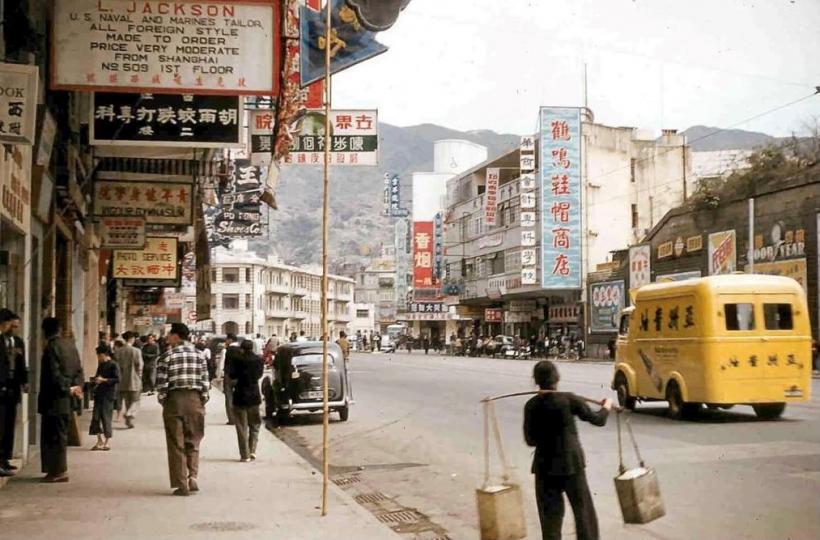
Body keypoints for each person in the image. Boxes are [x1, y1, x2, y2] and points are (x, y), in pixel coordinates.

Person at [523, 360, 612, 540]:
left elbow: (530, 440)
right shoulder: (569, 399)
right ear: (557, 378)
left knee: (550, 519)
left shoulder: (531, 405)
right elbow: (598, 419)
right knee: (583, 513)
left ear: (536, 380)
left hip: (544, 467)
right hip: (571, 465)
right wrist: (607, 406)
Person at [156, 323, 209, 496]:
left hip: (174, 400)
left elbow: (162, 384)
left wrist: (164, 400)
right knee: (193, 440)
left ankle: (181, 484)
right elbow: (205, 382)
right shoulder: (200, 355)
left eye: (170, 334)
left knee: (175, 443)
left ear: (177, 336)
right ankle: (193, 476)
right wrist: (202, 401)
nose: (168, 337)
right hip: (195, 399)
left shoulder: (166, 356)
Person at [38, 317, 84, 483]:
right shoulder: (70, 346)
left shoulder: (51, 348)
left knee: (53, 437)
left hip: (53, 400)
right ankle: (56, 470)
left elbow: (53, 374)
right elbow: (79, 369)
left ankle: (57, 471)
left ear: (45, 331)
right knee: (60, 435)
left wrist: (67, 388)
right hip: (67, 401)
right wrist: (76, 387)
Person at [0, 310, 27, 475]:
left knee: (9, 424)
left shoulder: (18, 342)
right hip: (1, 386)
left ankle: (5, 458)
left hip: (13, 387)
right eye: (12, 325)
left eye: (16, 326)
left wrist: (24, 381)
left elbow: (22, 363)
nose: (14, 328)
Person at [229, 340, 264, 462]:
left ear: (242, 348)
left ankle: (245, 455)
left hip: (240, 395)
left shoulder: (237, 359)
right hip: (254, 395)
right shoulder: (259, 359)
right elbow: (259, 375)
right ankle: (252, 450)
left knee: (241, 426)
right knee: (254, 424)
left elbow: (232, 375)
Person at [89, 345, 119, 451]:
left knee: (106, 418)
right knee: (96, 418)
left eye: (99, 356)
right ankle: (99, 440)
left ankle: (107, 442)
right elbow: (98, 376)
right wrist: (95, 380)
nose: (98, 358)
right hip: (99, 393)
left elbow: (117, 379)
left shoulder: (113, 365)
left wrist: (104, 380)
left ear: (103, 355)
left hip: (108, 395)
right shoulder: (101, 365)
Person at [114, 331, 143, 429]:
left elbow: (116, 366)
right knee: (136, 400)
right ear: (131, 339)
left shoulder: (118, 351)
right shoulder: (136, 351)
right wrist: (140, 376)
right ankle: (129, 413)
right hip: (134, 379)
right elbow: (139, 366)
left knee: (127, 401)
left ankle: (128, 421)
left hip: (122, 379)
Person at [222, 333, 241, 425]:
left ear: (230, 340)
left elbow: (222, 363)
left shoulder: (226, 350)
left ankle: (231, 419)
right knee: (239, 397)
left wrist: (219, 375)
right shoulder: (241, 350)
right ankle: (240, 417)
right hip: (239, 377)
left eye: (226, 339)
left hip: (229, 376)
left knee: (229, 398)